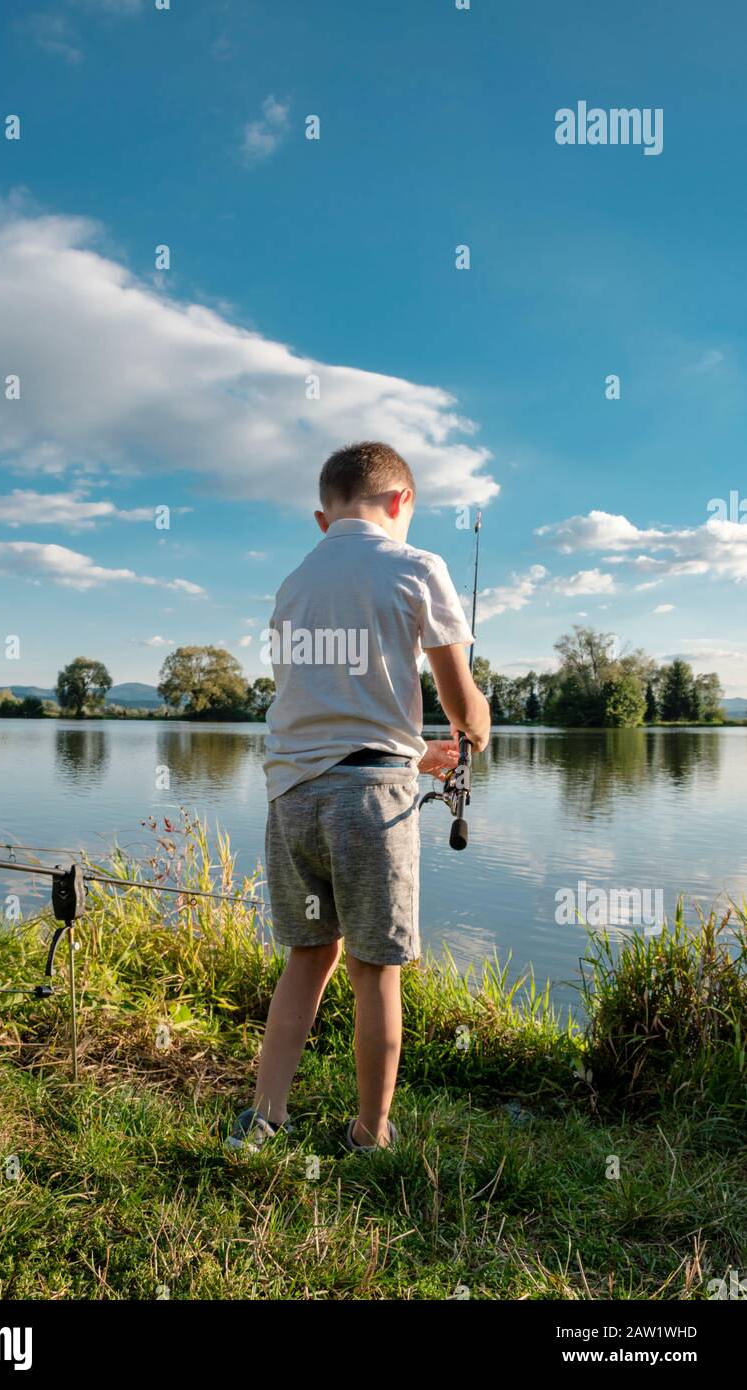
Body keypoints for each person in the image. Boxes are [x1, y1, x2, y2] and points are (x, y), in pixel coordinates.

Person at [227, 441, 490, 1152]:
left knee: (308, 955)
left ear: (323, 517)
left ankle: (264, 1119)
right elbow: (456, 698)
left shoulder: (293, 584)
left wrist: (413, 755)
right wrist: (475, 729)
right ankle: (371, 1134)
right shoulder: (416, 565)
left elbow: (334, 707)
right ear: (401, 502)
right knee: (376, 968)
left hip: (292, 798)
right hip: (369, 805)